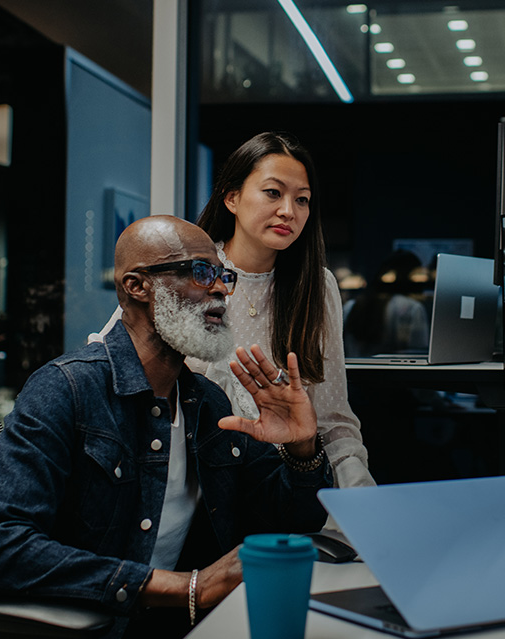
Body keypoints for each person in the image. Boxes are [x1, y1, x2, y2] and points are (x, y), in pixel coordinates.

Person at [0, 216, 332, 639]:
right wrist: (184, 587)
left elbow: (295, 520)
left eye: (223, 276)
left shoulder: (208, 403)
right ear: (137, 286)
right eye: (200, 272)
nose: (221, 291)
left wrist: (302, 445)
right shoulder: (65, 390)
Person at [95, 132, 375, 492]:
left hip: (280, 487)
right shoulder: (188, 272)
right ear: (232, 197)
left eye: (302, 200)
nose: (289, 211)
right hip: (185, 482)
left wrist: (361, 500)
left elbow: (334, 421)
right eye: (273, 193)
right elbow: (109, 362)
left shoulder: (316, 287)